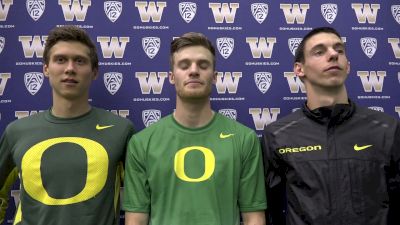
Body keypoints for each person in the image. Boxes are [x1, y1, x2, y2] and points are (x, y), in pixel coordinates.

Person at [123, 32, 267, 225]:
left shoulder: (244, 139)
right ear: (172, 77)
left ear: (214, 77)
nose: (193, 71)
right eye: (184, 65)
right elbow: (136, 220)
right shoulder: (142, 143)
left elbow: (254, 217)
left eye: (203, 65)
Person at [262, 26, 400, 225]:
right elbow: (268, 209)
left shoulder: (387, 129)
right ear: (299, 69)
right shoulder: (278, 135)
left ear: (348, 65)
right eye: (320, 51)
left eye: (339, 50)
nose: (333, 54)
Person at [0, 25, 135, 225]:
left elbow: (140, 200)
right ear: (46, 68)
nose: (70, 68)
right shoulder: (16, 132)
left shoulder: (120, 130)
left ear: (94, 71)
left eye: (79, 61)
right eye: (60, 60)